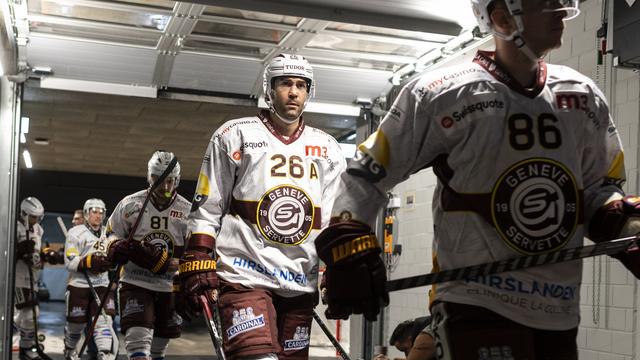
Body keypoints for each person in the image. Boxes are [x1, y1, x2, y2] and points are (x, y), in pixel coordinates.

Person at [314, 0, 640, 358]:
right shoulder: (439, 93)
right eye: (545, 4)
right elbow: (366, 174)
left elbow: (597, 191)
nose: (560, 11)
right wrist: (349, 244)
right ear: (502, 17)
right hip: (475, 302)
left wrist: (626, 225)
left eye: (561, 2)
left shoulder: (582, 95)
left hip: (559, 308)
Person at [178, 53, 347, 360]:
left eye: (301, 85)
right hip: (244, 275)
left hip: (299, 282)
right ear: (269, 89)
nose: (293, 92)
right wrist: (198, 254)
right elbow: (208, 206)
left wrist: (338, 269)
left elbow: (334, 221)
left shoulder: (329, 149)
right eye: (285, 83)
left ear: (310, 92)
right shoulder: (234, 134)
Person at [104, 150, 190, 360]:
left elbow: (195, 251)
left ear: (177, 180)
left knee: (160, 346)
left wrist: (177, 265)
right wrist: (114, 246)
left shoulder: (188, 210)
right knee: (137, 341)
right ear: (149, 177)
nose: (165, 187)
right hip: (135, 281)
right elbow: (110, 233)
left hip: (169, 286)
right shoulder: (130, 204)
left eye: (171, 181)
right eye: (159, 180)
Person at [62, 198, 117, 360]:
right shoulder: (75, 232)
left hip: (102, 284)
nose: (98, 216)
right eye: (94, 212)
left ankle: (104, 353)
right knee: (76, 324)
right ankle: (70, 350)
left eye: (101, 212)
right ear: (86, 214)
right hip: (79, 285)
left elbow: (113, 257)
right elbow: (69, 262)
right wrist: (89, 262)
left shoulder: (108, 234)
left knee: (103, 321)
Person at [14, 197, 52, 359]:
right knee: (21, 313)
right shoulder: (13, 226)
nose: (35, 220)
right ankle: (23, 345)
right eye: (32, 217)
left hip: (32, 277)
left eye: (37, 217)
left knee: (30, 314)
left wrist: (44, 256)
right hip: (16, 277)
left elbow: (37, 252)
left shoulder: (37, 229)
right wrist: (19, 250)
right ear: (23, 214)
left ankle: (26, 347)